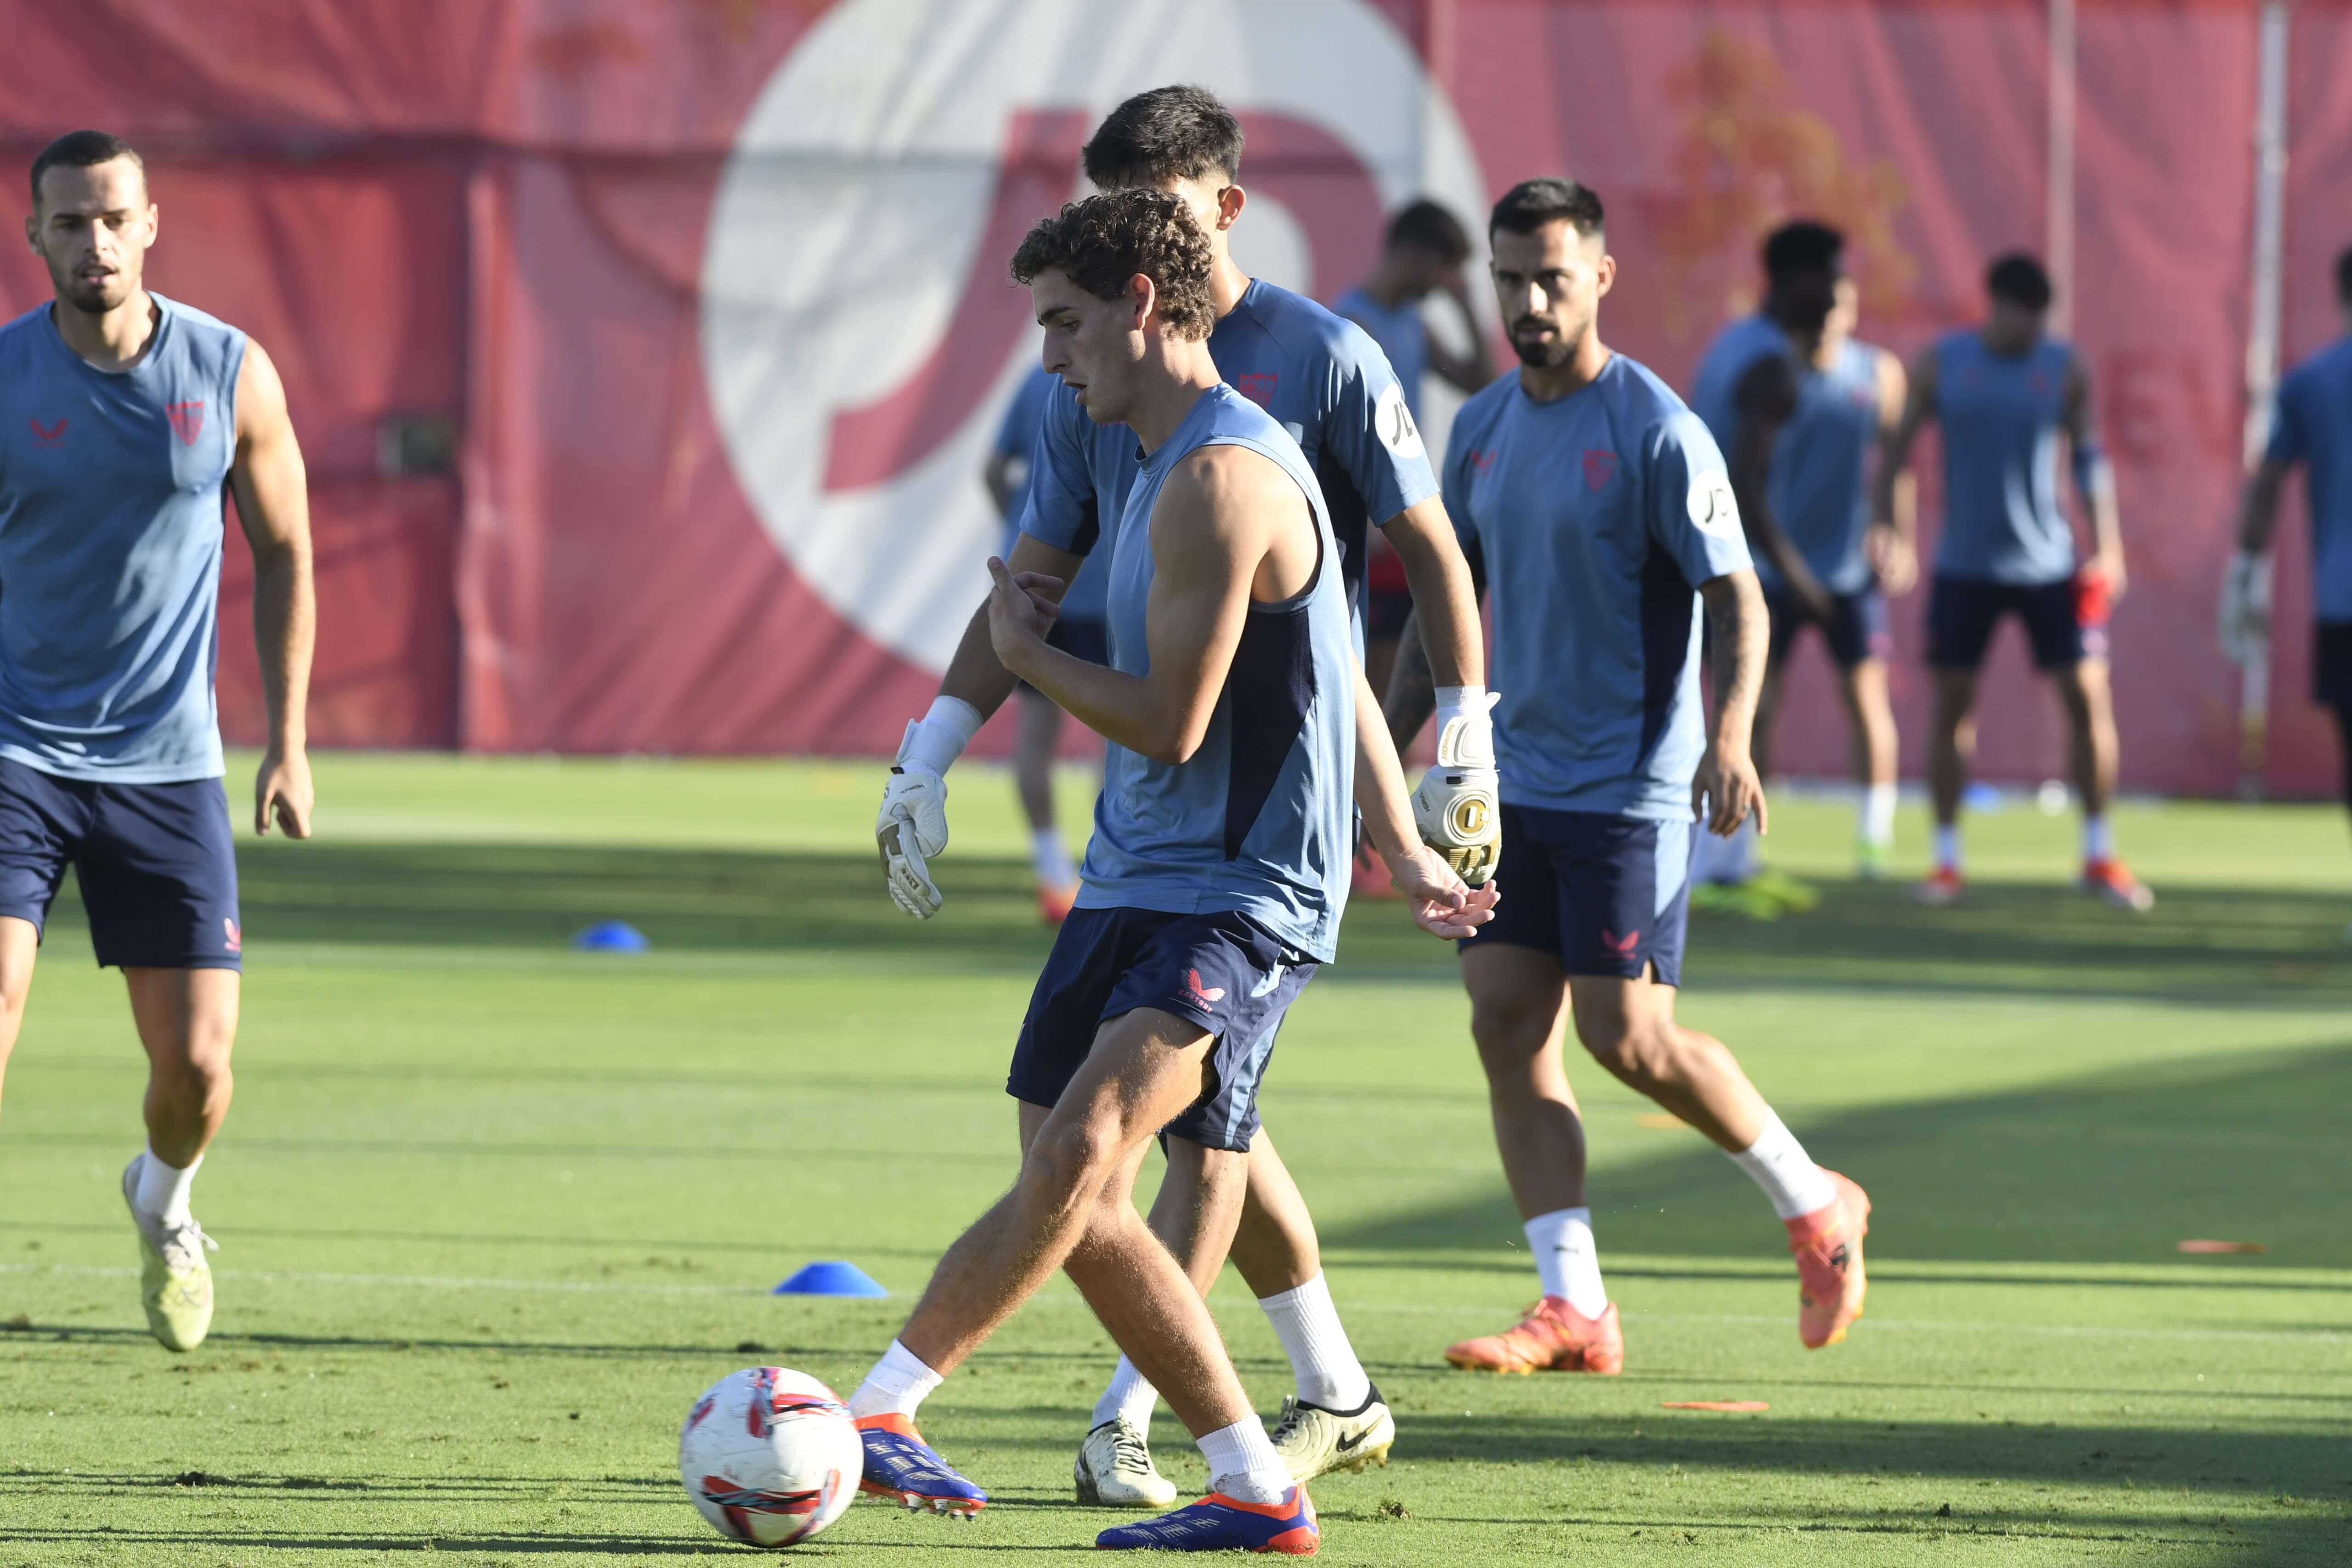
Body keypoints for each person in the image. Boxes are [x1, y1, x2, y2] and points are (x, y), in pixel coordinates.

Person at [875, 85, 1501, 1505]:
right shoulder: (1088, 373)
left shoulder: (1314, 369)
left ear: (1214, 211)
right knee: (1155, 1131)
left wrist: (1441, 757)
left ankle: (1131, 1424)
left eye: (1145, 205)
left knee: (1166, 1130)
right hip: (1136, 848)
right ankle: (1326, 1391)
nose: (1049, 348)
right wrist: (934, 739)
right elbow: (1029, 581)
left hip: (1251, 853)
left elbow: (1392, 580)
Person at [1386, 178, 1872, 1375]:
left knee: (1628, 1035)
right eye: (1510, 278)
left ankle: (1815, 1200)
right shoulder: (1484, 426)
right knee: (1506, 1016)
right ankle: (1577, 1307)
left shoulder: (1654, 427)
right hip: (1510, 781)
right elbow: (1444, 605)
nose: (1530, 300)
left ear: (1601, 276)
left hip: (1629, 787)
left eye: (1553, 276)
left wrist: (1733, 734)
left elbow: (1737, 594)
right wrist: (1381, 746)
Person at [0, 130, 316, 1353]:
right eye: (67, 222)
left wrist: (286, 741)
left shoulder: (230, 372)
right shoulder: (8, 383)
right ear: (35, 236)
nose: (92, 242)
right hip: (16, 748)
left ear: (150, 225)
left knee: (196, 1076)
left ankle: (163, 1199)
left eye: (111, 218)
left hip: (168, 764)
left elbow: (286, 550)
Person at [1877, 253, 2151, 910]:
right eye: (2018, 311)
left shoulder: (2063, 367)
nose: (2028, 326)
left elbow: (2090, 460)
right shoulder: (1945, 363)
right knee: (1953, 710)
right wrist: (1894, 529)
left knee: (2088, 703)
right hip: (1964, 568)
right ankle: (1946, 860)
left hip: (2051, 568)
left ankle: (2097, 851)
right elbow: (1897, 453)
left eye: (2038, 315)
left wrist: (2107, 549)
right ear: (1993, 305)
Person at [1689, 221, 1912, 891]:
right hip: (1756, 573)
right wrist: (1795, 577)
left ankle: (1868, 844)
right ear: (1798, 283)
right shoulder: (1767, 364)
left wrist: (1891, 527)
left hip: (1826, 569)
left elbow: (1895, 461)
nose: (1846, 288)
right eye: (1834, 276)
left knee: (1856, 700)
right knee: (1745, 708)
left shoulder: (1856, 367)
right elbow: (1744, 487)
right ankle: (1725, 859)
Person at [1335, 201, 1497, 708]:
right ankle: (1358, 788)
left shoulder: (1412, 323)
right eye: (1444, 267)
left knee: (1394, 690)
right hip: (1365, 530)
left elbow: (1484, 386)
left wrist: (1467, 309)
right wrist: (1359, 520)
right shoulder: (1345, 323)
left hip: (1399, 520)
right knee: (1365, 683)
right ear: (1413, 254)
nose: (1445, 282)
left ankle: (1376, 787)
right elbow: (1333, 431)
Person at [2225, 245, 2352, 854]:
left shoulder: (2311, 380)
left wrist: (2245, 573)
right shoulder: (2312, 384)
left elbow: (2267, 486)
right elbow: (2270, 481)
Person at [983, 366, 1107, 924]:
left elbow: (993, 468)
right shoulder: (1128, 380)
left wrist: (1024, 528)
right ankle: (1104, 867)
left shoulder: (1038, 384)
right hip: (1107, 588)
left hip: (1044, 582)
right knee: (1123, 741)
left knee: (1038, 735)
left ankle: (1052, 867)